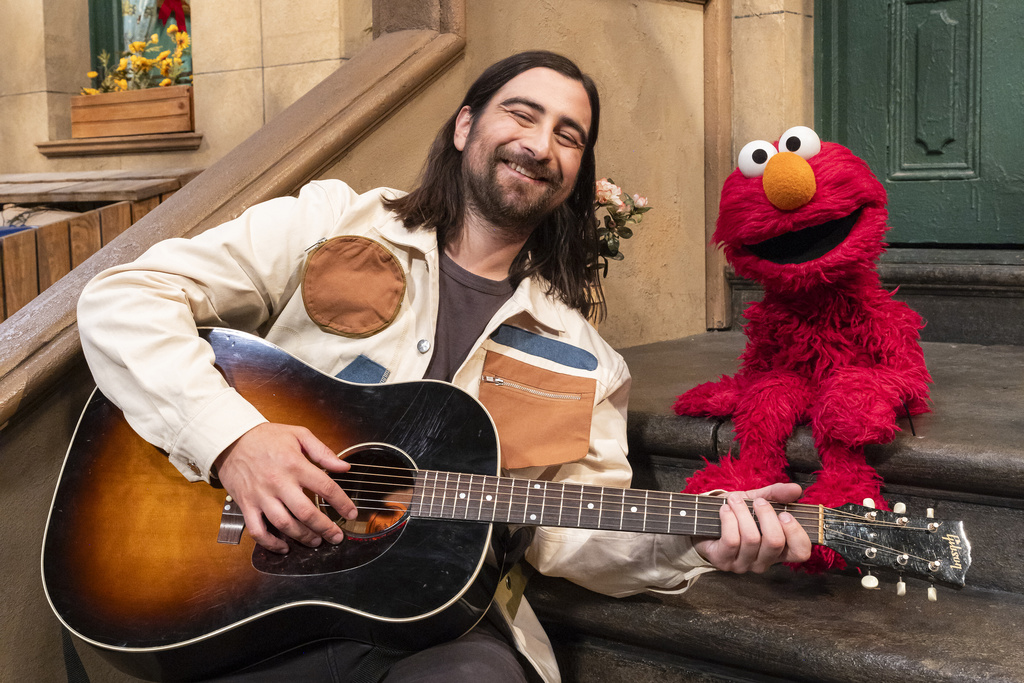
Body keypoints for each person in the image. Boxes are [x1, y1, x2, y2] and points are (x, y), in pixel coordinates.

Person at [77, 51, 811, 682]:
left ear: (577, 172)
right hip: (244, 595)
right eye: (521, 114)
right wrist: (233, 439)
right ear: (464, 127)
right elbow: (122, 298)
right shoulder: (331, 221)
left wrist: (697, 537)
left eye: (568, 135)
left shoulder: (587, 358)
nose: (540, 144)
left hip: (435, 626)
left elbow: (573, 533)